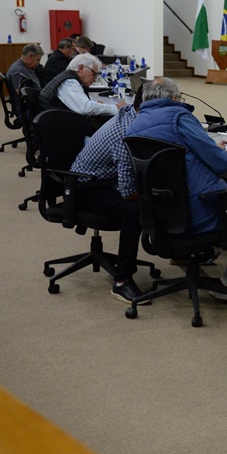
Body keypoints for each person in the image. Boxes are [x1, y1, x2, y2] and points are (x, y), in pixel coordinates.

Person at [121, 77, 227, 301]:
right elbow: (223, 164)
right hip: (202, 211)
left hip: (161, 213)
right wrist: (215, 150)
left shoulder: (135, 124)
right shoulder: (179, 116)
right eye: (179, 97)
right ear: (173, 98)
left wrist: (207, 148)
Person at [69, 84, 150, 304]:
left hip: (105, 181)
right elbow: (126, 191)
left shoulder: (133, 116)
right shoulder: (126, 132)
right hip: (86, 189)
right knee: (134, 208)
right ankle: (122, 280)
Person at [38, 53, 123, 121]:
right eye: (94, 74)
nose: (95, 80)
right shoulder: (69, 82)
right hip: (61, 135)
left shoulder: (70, 78)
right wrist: (115, 107)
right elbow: (85, 108)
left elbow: (80, 101)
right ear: (81, 68)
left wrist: (97, 103)